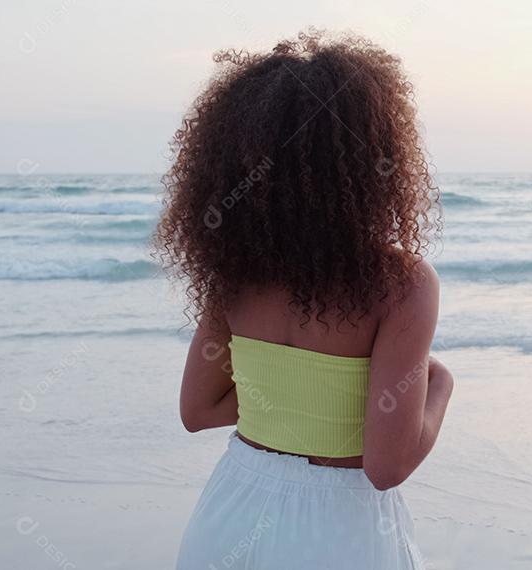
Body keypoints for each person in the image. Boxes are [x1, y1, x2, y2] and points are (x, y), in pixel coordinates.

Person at [154, 29, 453, 569]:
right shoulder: (401, 284)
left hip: (231, 512)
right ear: (375, 157)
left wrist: (293, 399)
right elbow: (387, 467)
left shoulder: (235, 273)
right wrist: (441, 388)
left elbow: (199, 411)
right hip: (339, 531)